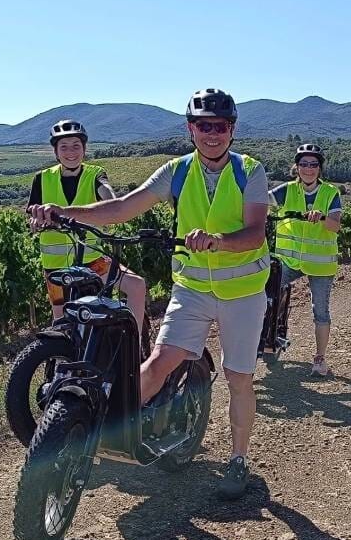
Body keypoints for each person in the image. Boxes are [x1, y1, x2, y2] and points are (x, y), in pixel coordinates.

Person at [29, 90, 270, 500]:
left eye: (221, 126)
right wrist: (64, 212)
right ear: (190, 129)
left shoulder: (250, 171)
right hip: (193, 288)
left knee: (239, 378)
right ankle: (108, 429)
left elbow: (255, 232)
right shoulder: (175, 171)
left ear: (232, 130)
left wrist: (218, 241)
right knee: (158, 362)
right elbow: (121, 208)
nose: (212, 134)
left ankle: (238, 460)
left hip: (242, 292)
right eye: (203, 126)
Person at [28, 120, 146, 335]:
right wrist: (36, 222)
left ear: (84, 149)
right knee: (61, 323)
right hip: (55, 268)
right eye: (64, 147)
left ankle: (134, 349)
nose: (70, 152)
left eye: (76, 146)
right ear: (55, 151)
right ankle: (62, 366)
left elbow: (108, 196)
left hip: (93, 262)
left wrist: (113, 207)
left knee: (136, 286)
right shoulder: (42, 178)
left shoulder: (95, 174)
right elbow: (33, 215)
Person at [268, 143, 342, 376]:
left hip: (320, 264)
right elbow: (262, 203)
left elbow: (335, 225)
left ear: (320, 169)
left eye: (313, 164)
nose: (308, 169)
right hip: (288, 261)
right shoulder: (286, 190)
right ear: (296, 167)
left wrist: (321, 218)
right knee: (265, 295)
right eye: (303, 164)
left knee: (320, 310)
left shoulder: (330, 193)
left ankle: (320, 359)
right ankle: (268, 337)